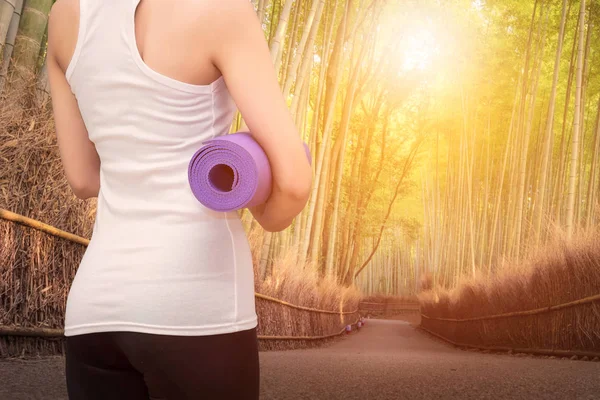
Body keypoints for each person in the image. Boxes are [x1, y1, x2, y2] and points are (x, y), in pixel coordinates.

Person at [47, 0, 312, 398]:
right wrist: (266, 211)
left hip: (95, 312)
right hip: (197, 307)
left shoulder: (62, 15)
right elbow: (293, 183)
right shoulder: (220, 10)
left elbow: (84, 178)